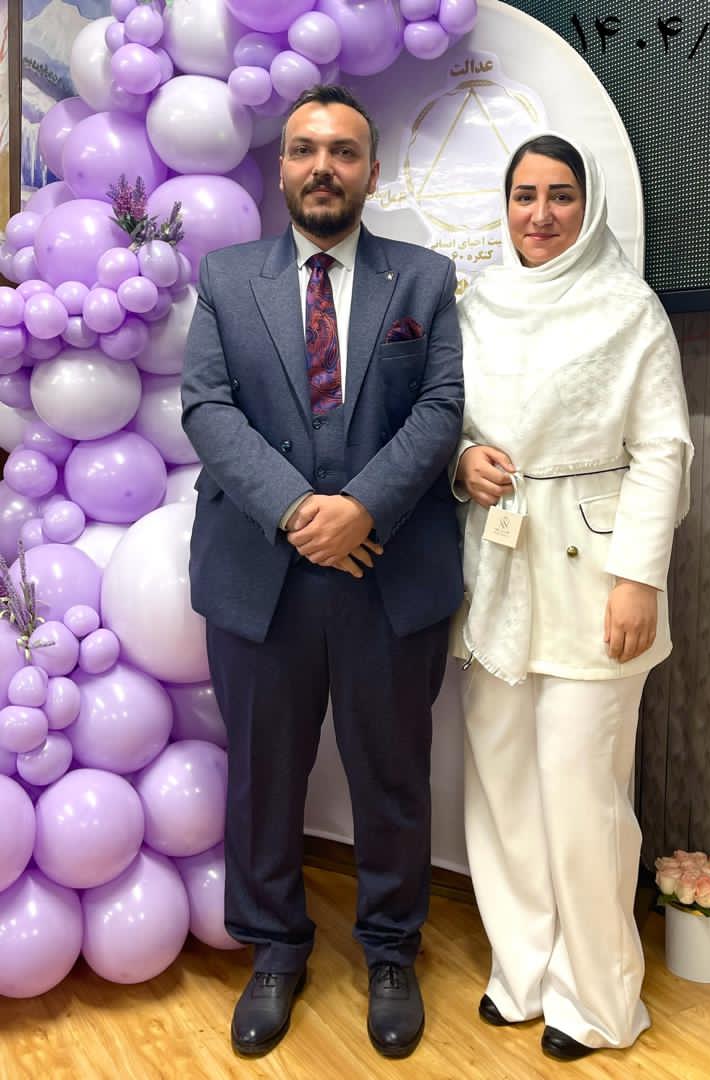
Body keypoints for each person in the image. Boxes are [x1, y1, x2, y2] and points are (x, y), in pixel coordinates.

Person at [181, 84, 464, 1060]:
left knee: (393, 775)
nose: (323, 167)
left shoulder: (423, 280)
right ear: (281, 168)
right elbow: (207, 407)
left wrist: (362, 510)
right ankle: (274, 948)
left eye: (343, 152)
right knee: (263, 777)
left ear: (372, 172)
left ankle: (389, 951)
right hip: (261, 575)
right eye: (305, 149)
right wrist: (304, 513)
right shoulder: (226, 279)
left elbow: (440, 408)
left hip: (390, 571)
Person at [452, 133, 692, 1061]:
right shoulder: (476, 306)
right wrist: (461, 462)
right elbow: (446, 419)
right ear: (505, 206)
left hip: (596, 577)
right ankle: (521, 971)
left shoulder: (627, 308)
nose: (541, 214)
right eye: (524, 195)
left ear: (586, 207)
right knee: (501, 783)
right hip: (495, 569)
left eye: (559, 195)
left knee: (583, 791)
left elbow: (663, 448)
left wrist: (638, 578)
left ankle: (596, 999)